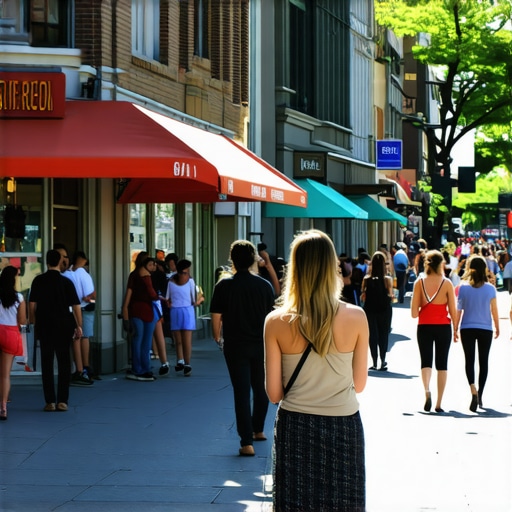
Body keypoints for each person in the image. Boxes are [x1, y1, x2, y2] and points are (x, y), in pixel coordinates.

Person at [264, 230, 369, 511]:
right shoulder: (356, 317)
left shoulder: (276, 321)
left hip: (295, 426)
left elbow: (274, 393)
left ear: (295, 268)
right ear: (331, 267)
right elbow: (359, 384)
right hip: (343, 425)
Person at [210, 240, 275, 456]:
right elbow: (271, 318)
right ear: (253, 259)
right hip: (261, 343)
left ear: (232, 260)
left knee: (241, 391)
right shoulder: (264, 286)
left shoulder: (224, 285)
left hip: (235, 344)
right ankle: (258, 429)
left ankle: (246, 442)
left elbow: (216, 316)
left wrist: (218, 337)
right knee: (261, 387)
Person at [29, 250, 82, 412]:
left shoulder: (38, 280)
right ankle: (62, 401)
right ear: (60, 261)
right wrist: (79, 325)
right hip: (64, 325)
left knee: (47, 362)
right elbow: (76, 306)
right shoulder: (66, 282)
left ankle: (50, 401)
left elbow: (32, 305)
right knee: (64, 361)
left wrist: (33, 321)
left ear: (46, 262)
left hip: (44, 325)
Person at [411, 250, 457, 413]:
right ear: (441, 264)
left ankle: (427, 390)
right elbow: (453, 310)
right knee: (442, 364)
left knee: (426, 361)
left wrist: (425, 306)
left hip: (424, 326)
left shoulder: (419, 282)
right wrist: (456, 329)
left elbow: (413, 313)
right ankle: (438, 403)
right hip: (443, 327)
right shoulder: (447, 283)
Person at [454, 255, 500, 411]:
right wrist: (498, 327)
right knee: (483, 361)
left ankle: (472, 388)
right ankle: (480, 394)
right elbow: (494, 310)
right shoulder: (491, 289)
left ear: (469, 268)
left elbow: (459, 310)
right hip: (485, 328)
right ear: (484, 269)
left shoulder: (463, 288)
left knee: (469, 360)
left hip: (467, 327)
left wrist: (455, 328)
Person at [122, 256, 161, 381]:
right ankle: (143, 369)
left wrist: (125, 313)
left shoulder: (134, 275)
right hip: (145, 311)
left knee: (140, 340)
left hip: (138, 311)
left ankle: (139, 369)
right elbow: (152, 294)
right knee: (144, 341)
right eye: (150, 264)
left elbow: (128, 295)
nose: (153, 267)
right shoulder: (146, 277)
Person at [166, 259, 204, 376]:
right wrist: (200, 300)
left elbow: (168, 298)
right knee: (186, 340)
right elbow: (193, 300)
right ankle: (187, 363)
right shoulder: (190, 282)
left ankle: (180, 360)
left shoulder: (171, 282)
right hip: (187, 310)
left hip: (175, 311)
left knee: (178, 341)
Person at [0, 266, 27, 420]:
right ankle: (3, 407)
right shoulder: (19, 298)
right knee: (5, 375)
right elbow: (22, 320)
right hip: (10, 333)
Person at [361, 251, 393, 371]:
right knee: (383, 334)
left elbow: (363, 296)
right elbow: (390, 295)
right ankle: (383, 360)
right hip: (384, 310)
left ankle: (374, 362)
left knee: (372, 336)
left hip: (370, 310)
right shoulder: (387, 280)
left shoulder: (367, 279)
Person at [69, 251, 96, 385]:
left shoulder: (70, 274)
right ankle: (85, 367)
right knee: (84, 337)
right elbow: (93, 294)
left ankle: (80, 369)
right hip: (85, 308)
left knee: (78, 338)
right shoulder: (83, 274)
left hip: (75, 309)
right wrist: (89, 298)